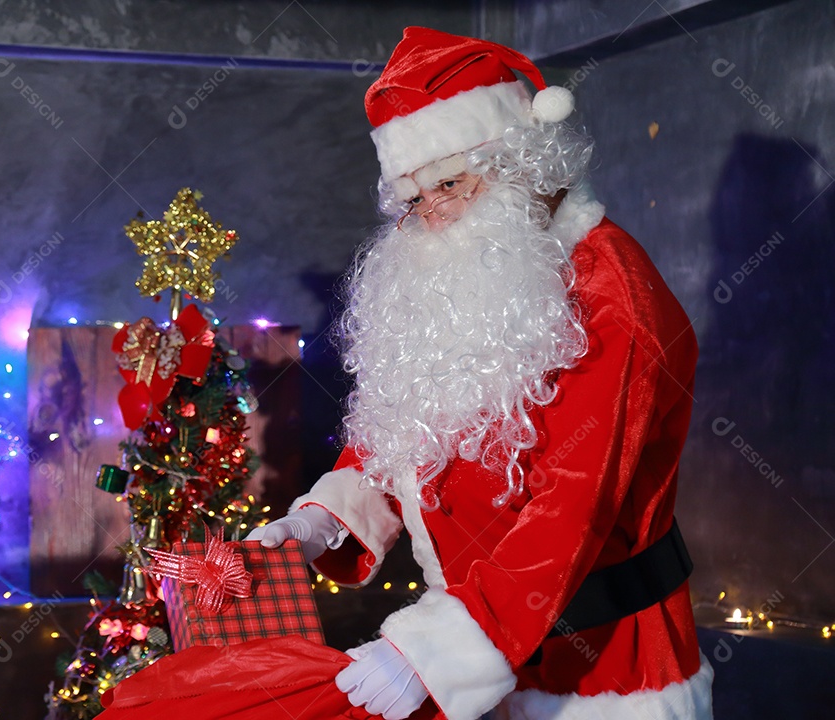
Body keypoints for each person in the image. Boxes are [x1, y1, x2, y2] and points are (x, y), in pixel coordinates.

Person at [247, 27, 714, 720]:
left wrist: (432, 654)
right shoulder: (474, 269)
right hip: (480, 649)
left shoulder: (612, 291)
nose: (433, 215)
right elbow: (410, 428)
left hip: (604, 670)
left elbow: (574, 503)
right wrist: (323, 520)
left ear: (520, 162)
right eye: (413, 199)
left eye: (451, 184)